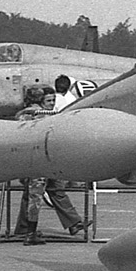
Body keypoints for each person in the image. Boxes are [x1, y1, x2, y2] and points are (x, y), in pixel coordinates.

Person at [12, 87, 87, 244]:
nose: (51, 104)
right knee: (35, 196)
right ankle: (29, 233)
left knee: (45, 192)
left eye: (53, 100)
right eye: (48, 101)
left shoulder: (29, 114)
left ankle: (26, 229)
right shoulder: (35, 115)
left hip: (36, 160)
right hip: (38, 160)